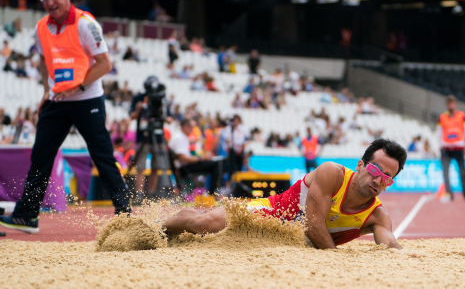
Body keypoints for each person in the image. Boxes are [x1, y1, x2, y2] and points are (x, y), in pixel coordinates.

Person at [0, 0, 131, 234]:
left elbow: (104, 64)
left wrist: (78, 87)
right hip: (57, 100)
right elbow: (42, 58)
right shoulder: (41, 27)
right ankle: (27, 215)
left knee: (102, 155)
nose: (49, 3)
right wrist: (46, 91)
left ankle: (125, 214)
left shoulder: (85, 23)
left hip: (87, 99)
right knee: (41, 156)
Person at [163, 139, 415, 253]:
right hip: (269, 214)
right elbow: (313, 225)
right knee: (202, 224)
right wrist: (336, 260)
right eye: (375, 170)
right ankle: (154, 227)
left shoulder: (378, 217)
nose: (378, 179)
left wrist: (403, 255)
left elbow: (391, 246)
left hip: (286, 244)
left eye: (386, 178)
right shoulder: (332, 173)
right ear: (360, 165)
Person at [169, 118, 224, 196]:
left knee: (215, 163)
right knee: (216, 164)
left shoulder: (182, 137)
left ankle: (212, 193)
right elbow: (183, 158)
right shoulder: (179, 138)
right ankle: (212, 194)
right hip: (184, 168)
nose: (192, 130)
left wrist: (203, 157)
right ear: (185, 126)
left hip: (186, 166)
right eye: (191, 128)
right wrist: (201, 158)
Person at [437, 95, 465, 201]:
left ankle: (464, 193)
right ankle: (449, 194)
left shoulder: (462, 116)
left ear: (456, 104)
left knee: (462, 172)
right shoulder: (442, 117)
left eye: (452, 103)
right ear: (446, 105)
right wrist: (440, 146)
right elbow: (439, 133)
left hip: (459, 148)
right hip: (446, 149)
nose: (451, 105)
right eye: (449, 103)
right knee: (445, 172)